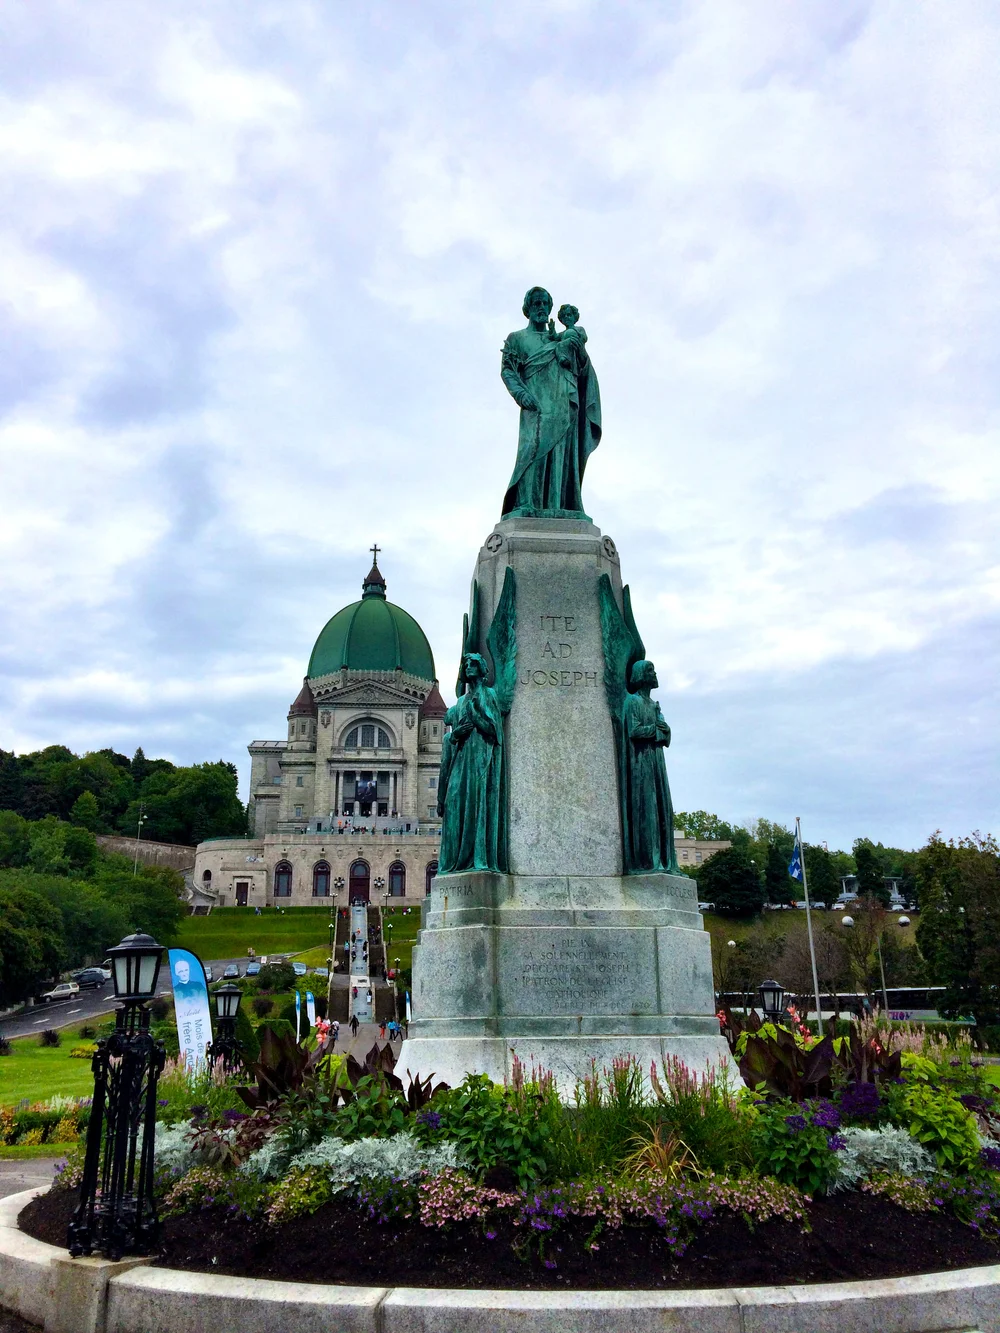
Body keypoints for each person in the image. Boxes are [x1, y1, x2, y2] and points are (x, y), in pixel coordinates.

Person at [500, 287, 601, 518]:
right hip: (535, 406)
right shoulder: (517, 339)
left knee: (561, 456)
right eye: (536, 303)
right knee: (532, 453)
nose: (541, 308)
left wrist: (581, 352)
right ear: (527, 308)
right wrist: (521, 394)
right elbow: (508, 371)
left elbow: (582, 367)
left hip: (564, 406)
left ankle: (559, 504)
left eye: (545, 303)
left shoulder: (561, 336)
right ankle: (528, 504)